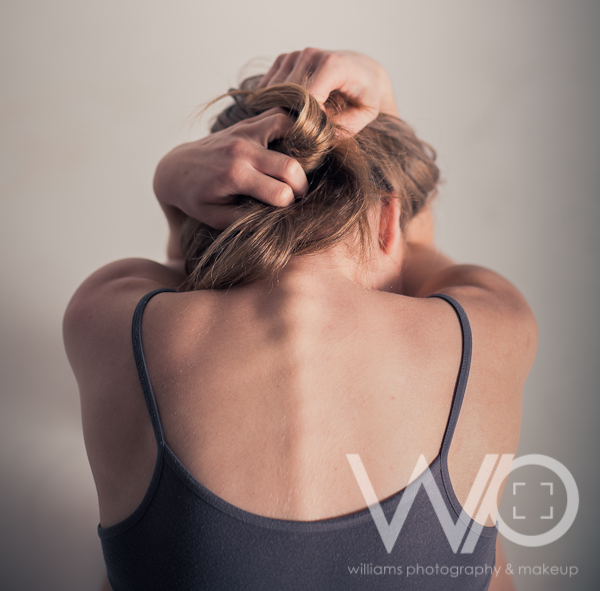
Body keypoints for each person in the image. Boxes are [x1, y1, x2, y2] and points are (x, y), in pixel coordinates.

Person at [63, 48, 537, 590]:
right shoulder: (492, 323)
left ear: (203, 214)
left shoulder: (106, 317)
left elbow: (184, 270)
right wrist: (382, 88)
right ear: (388, 218)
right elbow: (416, 242)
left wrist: (167, 178)